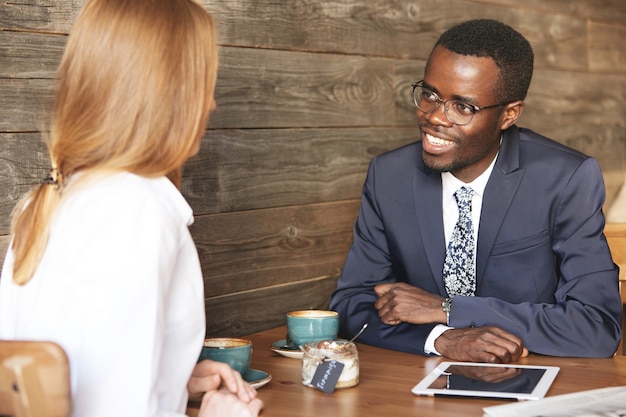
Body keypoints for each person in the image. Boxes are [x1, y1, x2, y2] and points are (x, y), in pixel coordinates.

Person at [0, 0, 263, 416]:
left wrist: (173, 378)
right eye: (202, 83)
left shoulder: (45, 199)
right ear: (166, 91)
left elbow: (73, 375)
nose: (211, 103)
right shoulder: (137, 209)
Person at [329, 19, 622, 363]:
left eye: (462, 107)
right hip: (414, 387)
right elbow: (351, 304)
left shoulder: (564, 178)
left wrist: (448, 310)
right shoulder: (389, 175)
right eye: (430, 95)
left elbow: (596, 327)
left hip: (531, 382)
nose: (435, 117)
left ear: (508, 115)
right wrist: (443, 339)